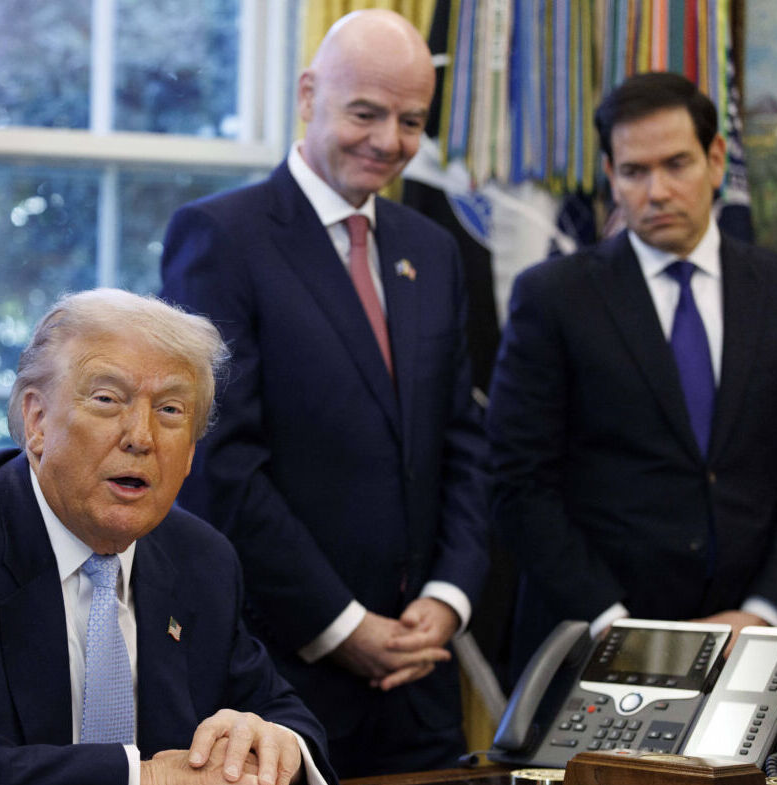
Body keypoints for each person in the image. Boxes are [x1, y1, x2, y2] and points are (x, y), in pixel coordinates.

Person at [0, 289, 336, 785]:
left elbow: (285, 714)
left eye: (171, 410)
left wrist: (274, 742)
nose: (141, 437)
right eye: (108, 399)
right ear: (36, 421)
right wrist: (140, 777)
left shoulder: (203, 559)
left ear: (193, 450)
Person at [159, 9, 489, 778]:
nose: (388, 140)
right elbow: (220, 465)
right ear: (309, 94)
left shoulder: (432, 250)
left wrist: (448, 597)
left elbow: (466, 445)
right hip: (281, 679)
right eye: (365, 112)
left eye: (411, 121)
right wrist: (343, 626)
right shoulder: (220, 237)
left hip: (421, 675)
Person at [487, 71, 777, 683]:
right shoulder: (553, 297)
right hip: (591, 648)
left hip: (754, 650)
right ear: (610, 176)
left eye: (676, 164)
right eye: (634, 171)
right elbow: (517, 483)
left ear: (717, 161)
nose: (656, 190)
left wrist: (764, 613)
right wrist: (615, 626)